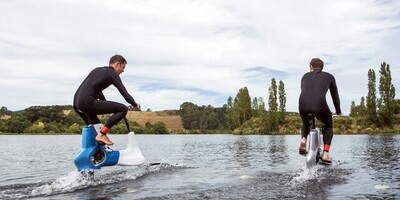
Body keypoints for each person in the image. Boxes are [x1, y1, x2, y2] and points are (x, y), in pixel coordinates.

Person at [73, 54, 139, 146]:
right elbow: (126, 95)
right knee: (123, 109)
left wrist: (105, 104)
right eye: (123, 67)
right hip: (87, 102)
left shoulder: (96, 70)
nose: (123, 71)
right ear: (117, 64)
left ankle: (97, 153)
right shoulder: (112, 74)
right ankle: (102, 135)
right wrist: (135, 104)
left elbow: (97, 90)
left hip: (77, 104)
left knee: (97, 128)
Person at [298, 58, 341, 164]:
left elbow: (307, 92)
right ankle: (326, 154)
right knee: (328, 126)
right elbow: (335, 96)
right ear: (322, 67)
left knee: (305, 122)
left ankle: (303, 139)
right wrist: (338, 110)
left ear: (311, 66)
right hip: (320, 105)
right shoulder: (329, 76)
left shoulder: (304, 76)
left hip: (303, 105)